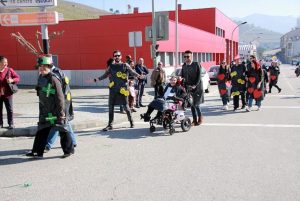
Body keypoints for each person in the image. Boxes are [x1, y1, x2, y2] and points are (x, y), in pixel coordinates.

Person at [26, 56, 74, 158]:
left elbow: (60, 97)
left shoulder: (53, 78)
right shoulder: (41, 77)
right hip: (45, 110)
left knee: (62, 130)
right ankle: (37, 152)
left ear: (49, 67)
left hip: (55, 110)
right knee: (42, 130)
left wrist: (61, 112)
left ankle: (68, 150)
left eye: (44, 67)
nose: (42, 68)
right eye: (40, 66)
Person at [95, 50, 142, 131]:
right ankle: (110, 125)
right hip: (113, 89)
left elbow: (132, 72)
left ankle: (131, 121)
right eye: (115, 56)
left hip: (123, 89)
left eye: (118, 55)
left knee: (126, 106)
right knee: (110, 107)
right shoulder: (111, 66)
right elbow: (105, 74)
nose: (116, 57)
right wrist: (98, 78)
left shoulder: (125, 65)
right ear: (113, 57)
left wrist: (138, 75)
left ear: (121, 56)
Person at [41, 55, 77, 152]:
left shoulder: (56, 73)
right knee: (64, 123)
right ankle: (73, 141)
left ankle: (48, 145)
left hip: (61, 101)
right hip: (56, 102)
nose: (42, 67)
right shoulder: (48, 73)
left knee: (57, 123)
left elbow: (60, 91)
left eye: (44, 64)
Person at [180, 50, 204, 126]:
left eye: (188, 56)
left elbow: (199, 76)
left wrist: (195, 85)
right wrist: (181, 82)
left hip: (197, 87)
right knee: (191, 104)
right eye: (185, 56)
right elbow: (183, 76)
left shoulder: (196, 64)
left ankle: (200, 117)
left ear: (191, 56)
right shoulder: (184, 65)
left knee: (196, 104)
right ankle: (194, 119)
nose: (186, 58)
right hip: (188, 88)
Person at [0, 56, 20, 129]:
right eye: (3, 62)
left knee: (10, 109)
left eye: (6, 62)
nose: (5, 64)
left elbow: (17, 78)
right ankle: (0, 124)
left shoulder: (9, 70)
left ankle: (11, 123)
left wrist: (12, 80)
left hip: (8, 94)